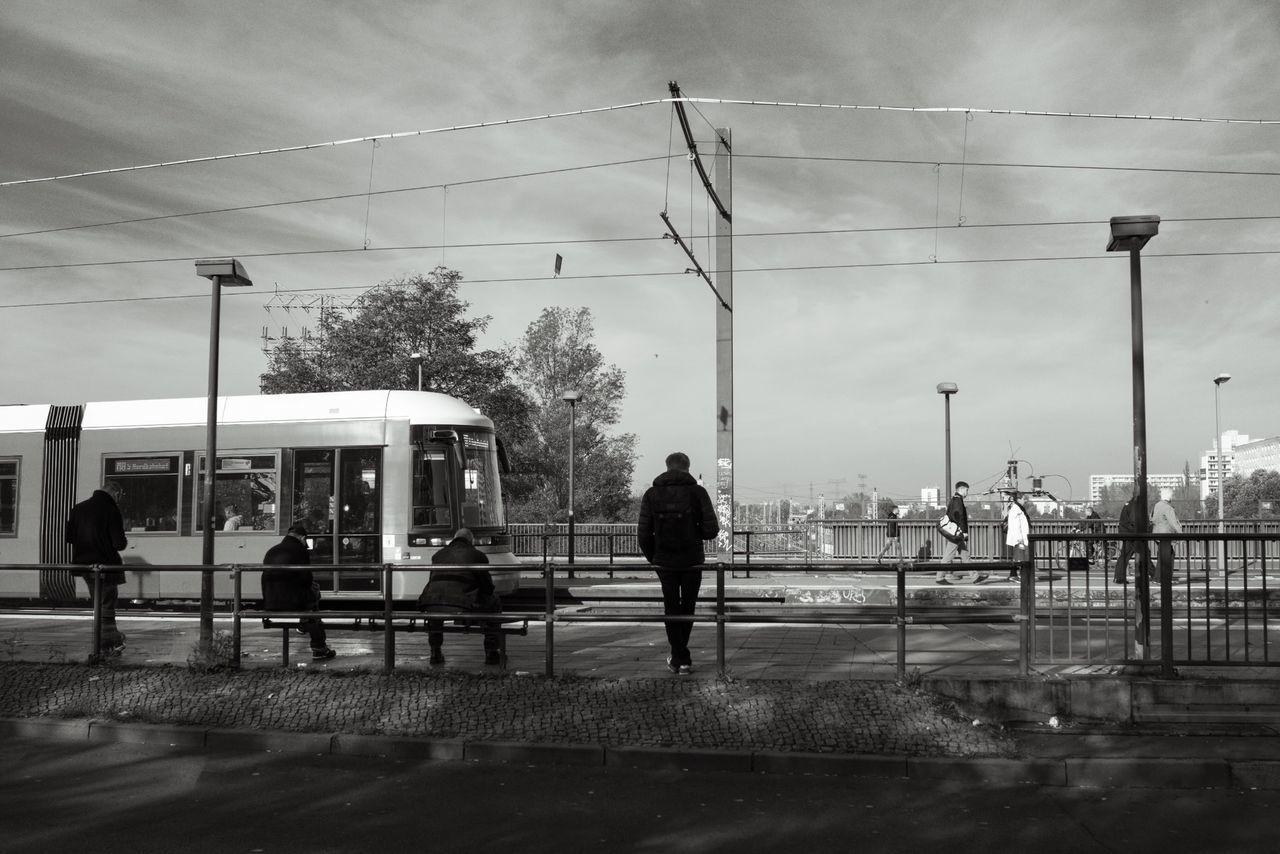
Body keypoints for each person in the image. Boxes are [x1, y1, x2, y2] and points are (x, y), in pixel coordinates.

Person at [638, 451, 719, 674]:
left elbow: (643, 533)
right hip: (692, 560)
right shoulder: (698, 492)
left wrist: (654, 557)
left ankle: (679, 657)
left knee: (671, 606)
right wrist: (695, 531)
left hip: (664, 561)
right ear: (688, 467)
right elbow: (712, 530)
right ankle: (681, 657)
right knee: (688, 606)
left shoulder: (651, 494)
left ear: (667, 467)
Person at [418, 527, 502, 666]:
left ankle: (435, 652)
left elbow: (433, 580)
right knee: (495, 602)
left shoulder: (438, 555)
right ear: (471, 541)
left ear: (454, 539)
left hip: (432, 602)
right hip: (463, 604)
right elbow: (487, 587)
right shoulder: (477, 556)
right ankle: (491, 652)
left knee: (436, 610)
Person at [65, 481, 128, 657]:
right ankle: (109, 642)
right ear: (115, 493)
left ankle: (107, 642)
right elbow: (119, 544)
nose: (119, 500)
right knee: (107, 603)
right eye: (119, 496)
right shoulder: (111, 510)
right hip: (105, 566)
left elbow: (70, 538)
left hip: (85, 566)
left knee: (99, 604)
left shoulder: (78, 508)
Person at [262, 524, 335, 660]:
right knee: (314, 601)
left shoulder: (273, 550)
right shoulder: (300, 550)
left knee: (310, 601)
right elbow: (306, 578)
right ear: (302, 538)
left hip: (270, 601)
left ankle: (304, 624)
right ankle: (319, 647)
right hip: (291, 601)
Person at [937, 481, 983, 583]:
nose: (967, 492)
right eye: (966, 490)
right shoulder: (958, 501)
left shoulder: (954, 499)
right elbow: (959, 517)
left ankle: (975, 576)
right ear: (961, 489)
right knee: (948, 556)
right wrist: (964, 531)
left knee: (965, 555)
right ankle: (939, 577)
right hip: (957, 533)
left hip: (955, 532)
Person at [1151, 487, 1183, 583]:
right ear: (1169, 496)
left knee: (1162, 557)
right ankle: (1164, 579)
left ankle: (1158, 578)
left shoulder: (1157, 505)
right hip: (1166, 535)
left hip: (1157, 534)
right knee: (1169, 557)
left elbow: (1151, 518)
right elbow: (1174, 523)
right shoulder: (1168, 508)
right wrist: (1181, 534)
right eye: (1172, 495)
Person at [1114, 492, 1143, 585]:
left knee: (1125, 555)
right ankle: (1156, 576)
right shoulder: (1134, 505)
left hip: (1126, 533)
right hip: (1131, 534)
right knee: (1144, 554)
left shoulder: (1128, 504)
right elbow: (1134, 521)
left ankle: (1118, 577)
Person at [1003, 492, 1030, 582]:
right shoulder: (1016, 509)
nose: (1025, 501)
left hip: (1020, 537)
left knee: (1017, 556)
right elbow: (1015, 526)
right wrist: (1019, 538)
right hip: (1019, 538)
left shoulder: (1018, 508)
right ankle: (1019, 575)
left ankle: (1014, 575)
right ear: (1018, 499)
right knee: (1020, 557)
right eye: (1023, 499)